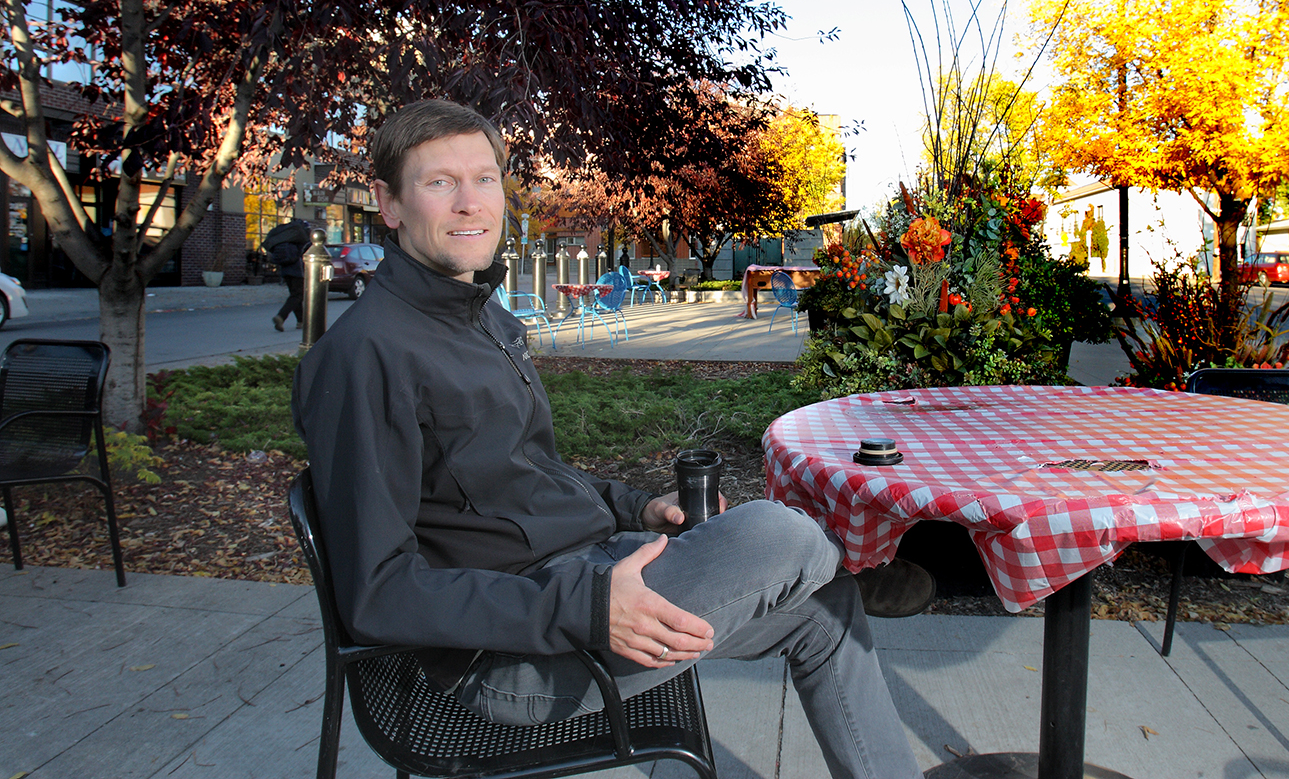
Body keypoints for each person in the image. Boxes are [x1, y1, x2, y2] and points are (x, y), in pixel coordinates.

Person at [292, 100, 923, 779]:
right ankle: (853, 557)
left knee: (822, 609)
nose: (470, 203)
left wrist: (634, 508)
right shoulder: (365, 356)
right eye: (439, 182)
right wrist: (587, 605)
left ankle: (844, 579)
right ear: (388, 203)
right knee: (782, 532)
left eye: (484, 179)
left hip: (585, 571)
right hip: (517, 657)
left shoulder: (480, 320)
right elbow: (378, 593)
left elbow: (527, 473)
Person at [269, 220, 311, 331]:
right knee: (297, 296)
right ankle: (281, 316)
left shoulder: (285, 239)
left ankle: (301, 321)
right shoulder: (303, 240)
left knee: (295, 296)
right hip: (298, 270)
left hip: (285, 270)